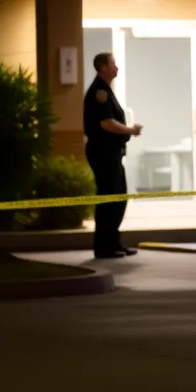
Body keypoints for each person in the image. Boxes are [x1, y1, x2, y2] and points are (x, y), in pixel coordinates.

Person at [83, 52, 143, 259]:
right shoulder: (100, 91)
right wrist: (130, 130)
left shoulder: (106, 89)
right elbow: (106, 123)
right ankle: (104, 247)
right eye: (113, 64)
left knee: (118, 197)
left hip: (111, 153)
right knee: (109, 199)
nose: (116, 68)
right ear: (102, 67)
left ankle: (113, 242)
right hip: (103, 153)